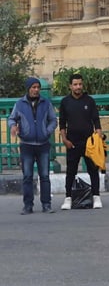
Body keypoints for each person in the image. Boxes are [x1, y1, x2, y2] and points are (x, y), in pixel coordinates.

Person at [7, 77, 59, 214]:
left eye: (38, 87)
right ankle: (28, 205)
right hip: (26, 145)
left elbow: (53, 120)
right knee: (27, 176)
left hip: (43, 144)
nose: (36, 90)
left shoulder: (45, 103)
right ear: (28, 88)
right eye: (33, 87)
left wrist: (47, 131)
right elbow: (12, 118)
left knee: (45, 176)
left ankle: (46, 204)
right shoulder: (19, 104)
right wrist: (13, 126)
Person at [58, 73, 104, 210]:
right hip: (72, 142)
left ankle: (96, 197)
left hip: (89, 142)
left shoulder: (89, 101)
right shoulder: (65, 102)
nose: (78, 87)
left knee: (93, 170)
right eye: (75, 84)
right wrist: (65, 139)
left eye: (80, 84)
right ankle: (68, 198)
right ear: (70, 86)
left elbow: (96, 119)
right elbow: (62, 123)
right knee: (71, 171)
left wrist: (99, 134)